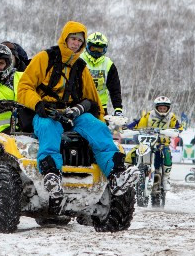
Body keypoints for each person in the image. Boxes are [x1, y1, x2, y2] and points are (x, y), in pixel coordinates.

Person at [17, 21, 140, 214]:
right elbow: (24, 87)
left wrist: (93, 116)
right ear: (65, 38)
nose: (75, 43)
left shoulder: (81, 67)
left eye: (79, 41)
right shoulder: (44, 58)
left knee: (98, 129)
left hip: (72, 113)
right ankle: (52, 175)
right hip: (46, 112)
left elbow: (93, 98)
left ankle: (116, 175)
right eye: (73, 39)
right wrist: (38, 104)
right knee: (49, 130)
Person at [126, 95, 186, 189]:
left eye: (164, 108)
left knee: (167, 155)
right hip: (147, 143)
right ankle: (127, 173)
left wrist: (177, 130)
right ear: (156, 107)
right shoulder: (149, 115)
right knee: (132, 152)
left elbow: (179, 127)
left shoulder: (171, 117)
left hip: (162, 144)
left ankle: (166, 178)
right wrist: (128, 127)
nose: (162, 110)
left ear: (168, 108)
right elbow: (138, 122)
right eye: (160, 108)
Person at [81, 32, 123, 117]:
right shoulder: (79, 60)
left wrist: (118, 108)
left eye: (99, 49)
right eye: (93, 48)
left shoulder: (109, 64)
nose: (96, 51)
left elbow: (115, 88)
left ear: (104, 49)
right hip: (80, 104)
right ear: (88, 47)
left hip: (100, 107)